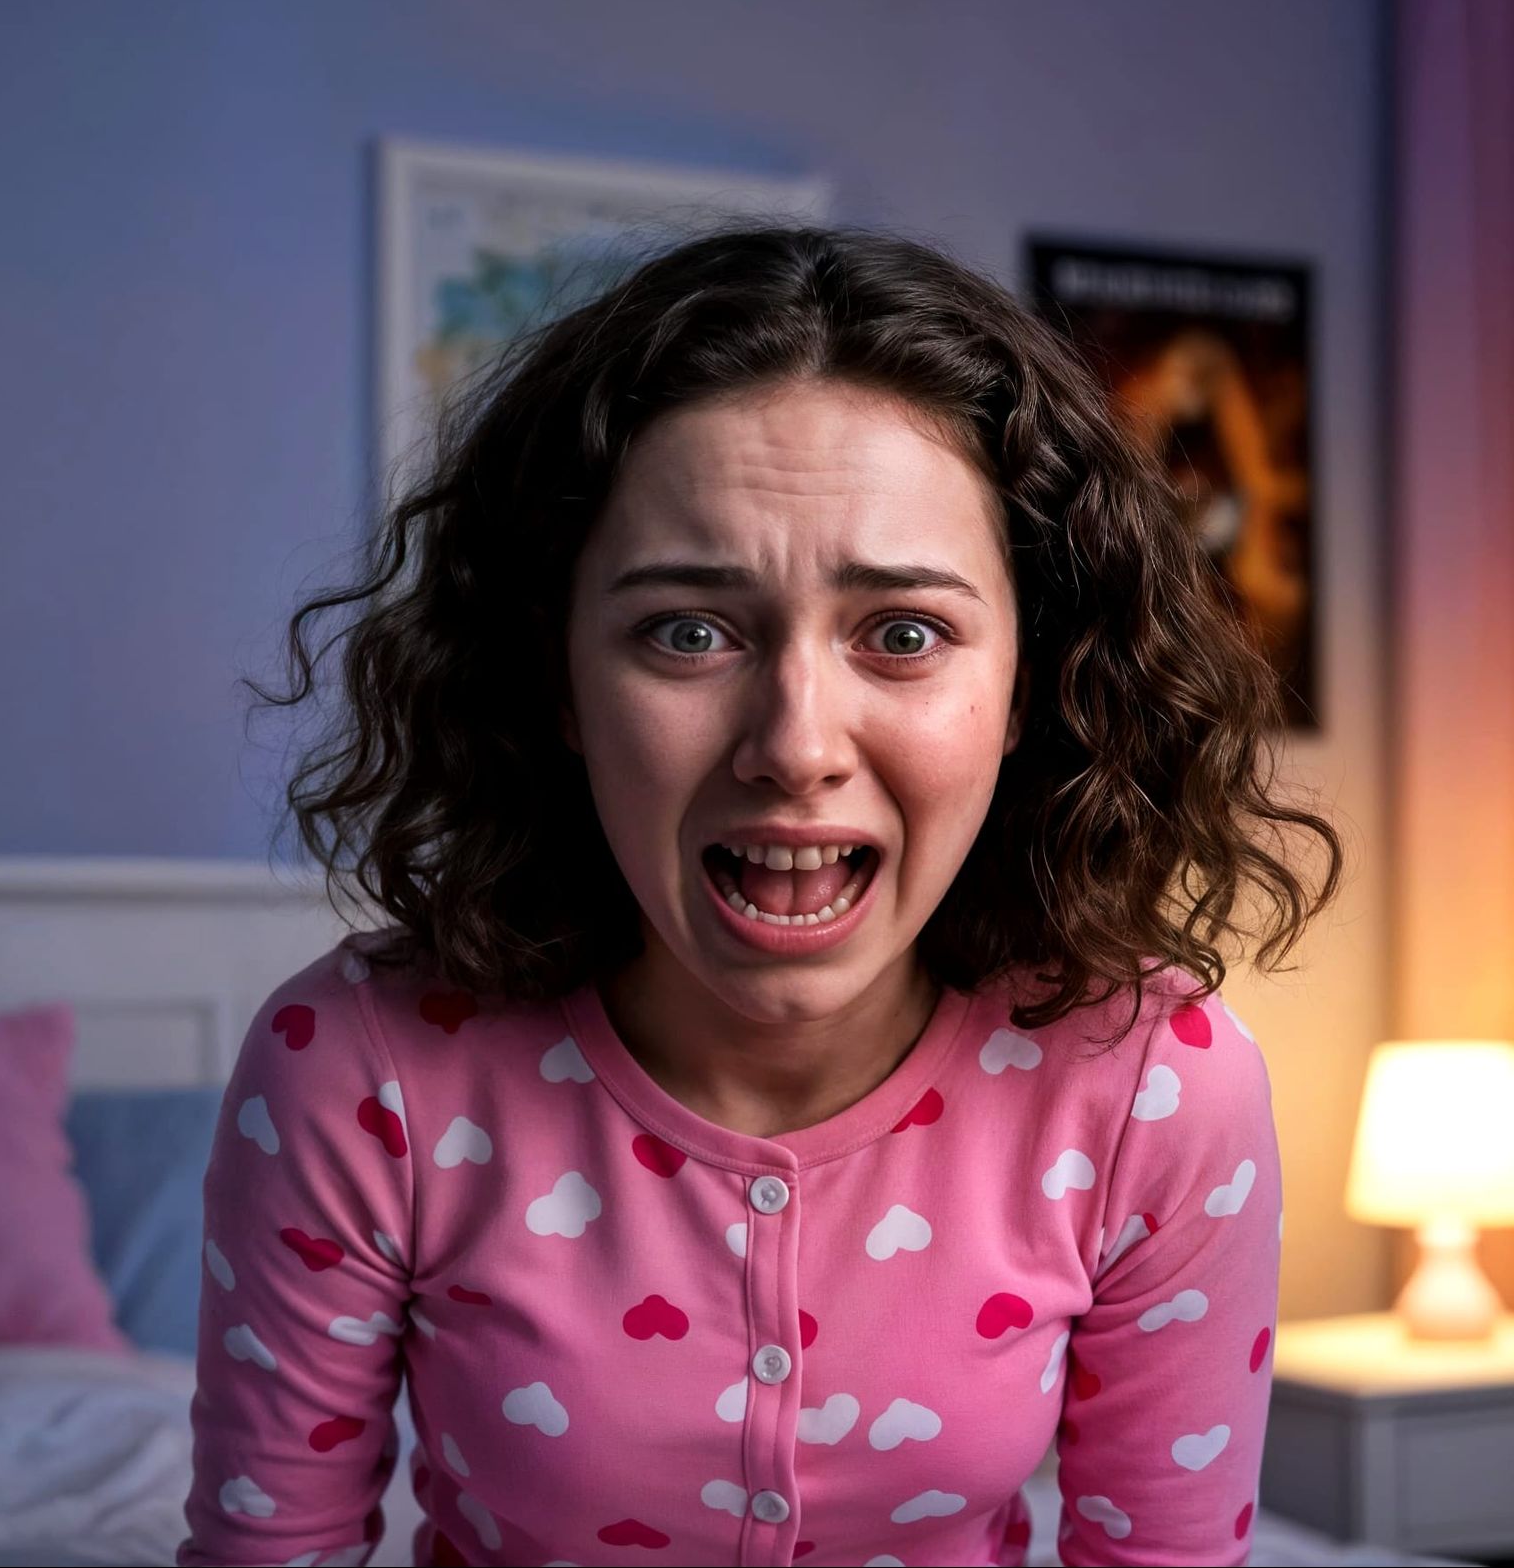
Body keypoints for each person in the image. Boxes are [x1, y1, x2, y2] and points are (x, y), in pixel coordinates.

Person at [176, 225, 1343, 1568]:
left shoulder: (1155, 1086)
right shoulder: (361, 1071)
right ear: (557, 679)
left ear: (1028, 683)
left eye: (903, 633)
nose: (795, 742)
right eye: (688, 630)